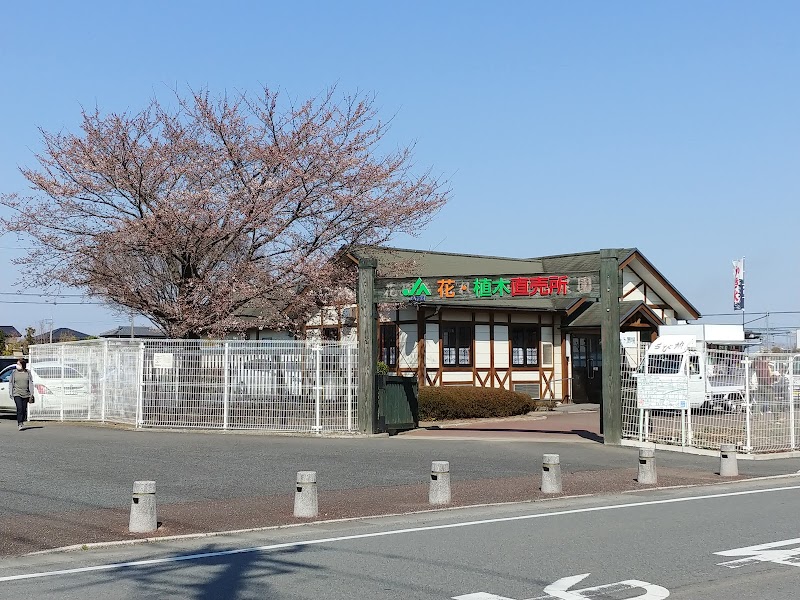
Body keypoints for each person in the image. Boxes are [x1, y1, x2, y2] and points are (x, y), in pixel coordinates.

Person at [9, 358, 34, 431]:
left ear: (23, 365)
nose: (17, 366)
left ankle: (22, 421)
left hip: (26, 393)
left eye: (19, 364)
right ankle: (19, 423)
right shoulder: (14, 372)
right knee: (19, 408)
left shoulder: (28, 372)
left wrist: (31, 393)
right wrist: (11, 392)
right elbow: (11, 382)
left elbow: (30, 382)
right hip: (17, 393)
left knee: (23, 409)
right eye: (17, 364)